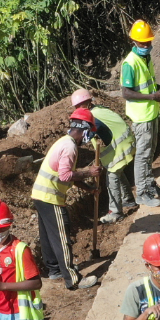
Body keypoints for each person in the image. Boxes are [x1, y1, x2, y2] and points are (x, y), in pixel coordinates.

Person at [30, 110, 101, 290]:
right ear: (83, 129)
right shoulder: (70, 147)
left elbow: (71, 176)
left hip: (40, 195)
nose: (90, 135)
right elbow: (65, 176)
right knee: (61, 236)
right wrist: (89, 172)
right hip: (50, 197)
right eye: (90, 131)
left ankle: (54, 270)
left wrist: (89, 189)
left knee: (47, 235)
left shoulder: (64, 142)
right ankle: (73, 279)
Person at [69, 87, 135, 223]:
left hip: (121, 146)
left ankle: (116, 212)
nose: (76, 109)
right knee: (117, 171)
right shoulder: (97, 109)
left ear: (83, 104)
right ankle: (128, 199)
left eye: (76, 106)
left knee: (112, 176)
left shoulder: (93, 116)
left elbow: (86, 135)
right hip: (126, 141)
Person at [119, 20, 160, 208]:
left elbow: (146, 83)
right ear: (134, 42)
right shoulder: (130, 63)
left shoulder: (145, 58)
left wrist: (157, 90)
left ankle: (149, 185)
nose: (146, 46)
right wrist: (152, 96)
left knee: (150, 151)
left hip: (151, 113)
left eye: (148, 43)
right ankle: (142, 193)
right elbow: (126, 92)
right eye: (142, 43)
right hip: (141, 117)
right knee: (143, 155)